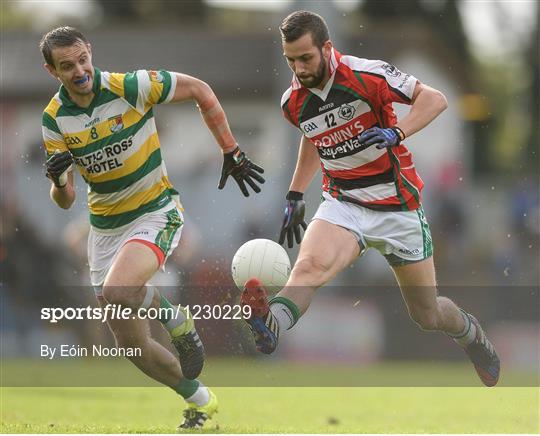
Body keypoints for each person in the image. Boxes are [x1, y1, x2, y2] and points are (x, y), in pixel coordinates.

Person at [241, 11, 500, 387]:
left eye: (306, 58)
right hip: (343, 203)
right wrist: (296, 192)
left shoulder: (368, 74)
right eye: (290, 60)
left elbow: (435, 99)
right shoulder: (292, 101)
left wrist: (397, 132)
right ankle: (271, 324)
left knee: (426, 315)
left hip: (398, 207)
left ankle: (471, 335)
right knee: (309, 267)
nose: (298, 68)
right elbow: (313, 135)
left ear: (327, 48)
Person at [40, 26, 264, 429]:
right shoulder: (54, 119)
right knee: (131, 346)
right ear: (52, 70)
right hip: (105, 229)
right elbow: (66, 198)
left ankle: (174, 319)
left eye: (83, 60)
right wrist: (58, 180)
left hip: (155, 211)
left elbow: (200, 90)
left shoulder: (132, 86)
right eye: (67, 66)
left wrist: (230, 149)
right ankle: (201, 399)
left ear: (91, 52)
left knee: (117, 291)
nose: (79, 71)